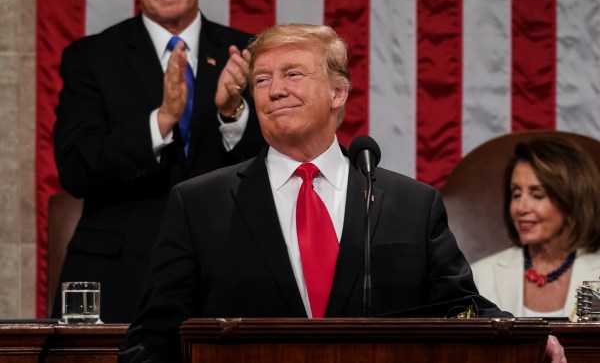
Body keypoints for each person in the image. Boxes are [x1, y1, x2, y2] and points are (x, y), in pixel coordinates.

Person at [117, 23, 548, 363]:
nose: (275, 90)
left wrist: (528, 343)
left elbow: (461, 309)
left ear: (338, 92)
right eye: (262, 79)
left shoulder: (412, 205)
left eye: (293, 74)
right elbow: (153, 337)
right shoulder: (199, 204)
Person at [52, 0, 265, 323]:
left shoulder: (248, 53)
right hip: (119, 274)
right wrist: (162, 121)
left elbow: (274, 167)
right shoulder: (90, 58)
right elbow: (76, 168)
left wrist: (232, 113)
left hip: (226, 272)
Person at [472, 136, 600, 321]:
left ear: (571, 201)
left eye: (537, 195)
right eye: (516, 194)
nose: (521, 208)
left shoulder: (597, 271)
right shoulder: (481, 276)